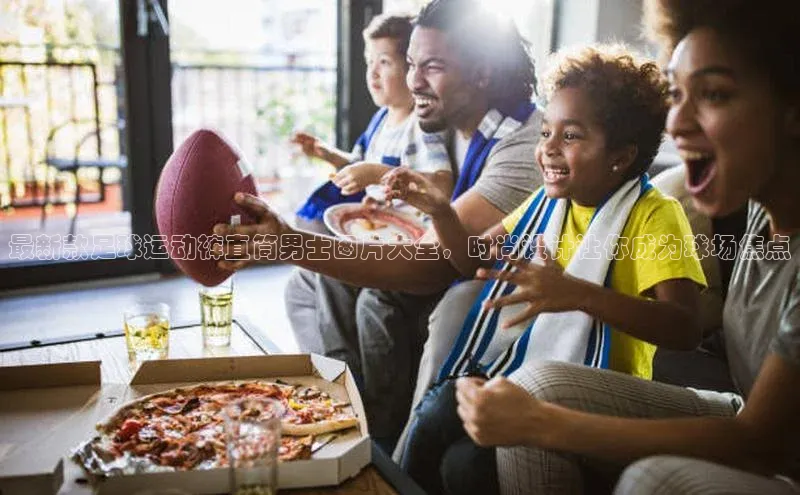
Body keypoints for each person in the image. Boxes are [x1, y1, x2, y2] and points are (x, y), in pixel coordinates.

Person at [455, 1, 800, 494]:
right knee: (531, 384)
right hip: (743, 412)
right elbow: (472, 258)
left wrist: (542, 424)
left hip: (778, 452)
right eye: (678, 93)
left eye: (715, 94)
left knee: (652, 481)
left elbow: (763, 443)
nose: (677, 123)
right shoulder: (761, 212)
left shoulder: (656, 214)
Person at [388, 43, 707, 494]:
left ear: (620, 155)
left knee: (466, 465)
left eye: (571, 136)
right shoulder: (547, 202)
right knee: (444, 403)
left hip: (601, 391)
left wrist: (579, 293)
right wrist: (442, 214)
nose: (549, 150)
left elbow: (686, 328)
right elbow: (472, 261)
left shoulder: (656, 215)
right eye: (545, 133)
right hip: (527, 366)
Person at [281, 0, 542, 451]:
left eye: (433, 66)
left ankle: (385, 441)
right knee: (305, 283)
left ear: (481, 73)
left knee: (372, 298)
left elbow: (434, 264)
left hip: (478, 279)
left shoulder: (521, 144)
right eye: (411, 64)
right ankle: (347, 405)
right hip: (438, 252)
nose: (413, 81)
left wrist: (286, 242)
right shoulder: (440, 120)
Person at [292, 13, 453, 233]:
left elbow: (443, 186)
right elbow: (360, 163)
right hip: (377, 224)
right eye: (370, 61)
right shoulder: (381, 118)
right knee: (310, 224)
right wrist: (327, 154)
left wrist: (377, 173)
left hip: (407, 235)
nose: (372, 73)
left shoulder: (421, 125)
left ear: (411, 68)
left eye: (384, 62)